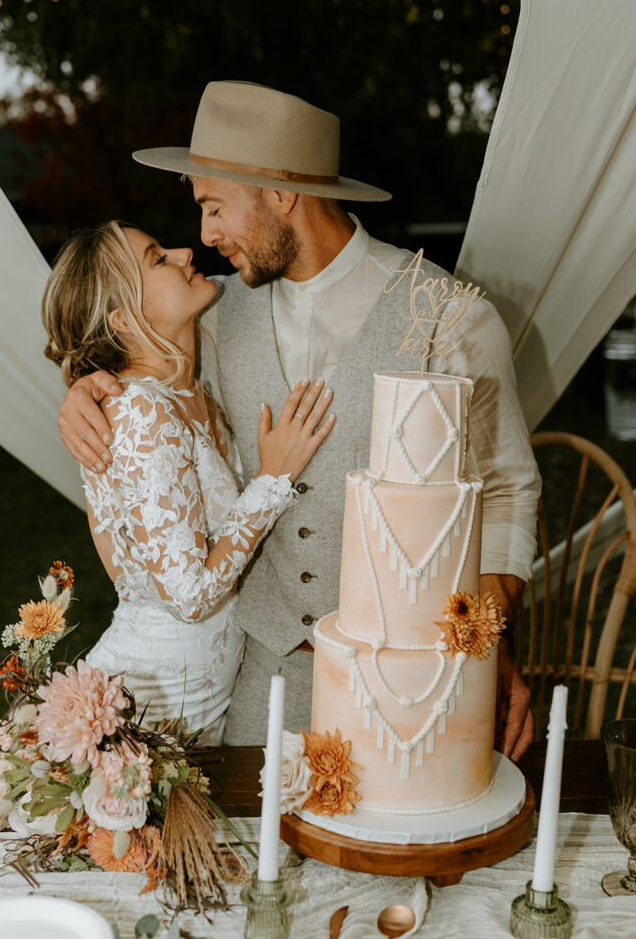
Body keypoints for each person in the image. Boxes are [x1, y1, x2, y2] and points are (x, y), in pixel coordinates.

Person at [57, 82, 541, 759]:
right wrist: (86, 387)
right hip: (257, 678)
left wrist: (483, 642)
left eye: (215, 207)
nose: (204, 236)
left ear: (281, 194)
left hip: (405, 681)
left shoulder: (450, 317)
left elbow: (508, 490)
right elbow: (138, 362)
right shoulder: (211, 312)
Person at [42, 219, 335, 743]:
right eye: (158, 258)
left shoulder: (193, 393)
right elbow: (189, 596)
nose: (184, 250)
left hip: (201, 709)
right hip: (137, 711)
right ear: (124, 320)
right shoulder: (139, 413)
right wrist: (273, 479)